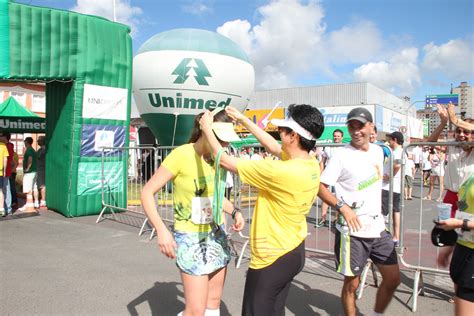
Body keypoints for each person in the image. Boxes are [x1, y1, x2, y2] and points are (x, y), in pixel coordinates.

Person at [200, 104, 324, 315]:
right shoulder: (309, 162)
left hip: (271, 257)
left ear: (293, 136)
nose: (278, 134)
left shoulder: (280, 171)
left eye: (282, 130)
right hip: (293, 251)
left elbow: (227, 161)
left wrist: (206, 128)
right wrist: (243, 119)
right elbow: (273, 147)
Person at [141, 110, 245, 316]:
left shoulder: (216, 160)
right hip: (189, 238)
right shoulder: (182, 154)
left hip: (216, 235)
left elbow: (215, 195)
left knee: (213, 303)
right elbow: (146, 192)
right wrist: (161, 230)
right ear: (206, 131)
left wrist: (235, 211)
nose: (225, 146)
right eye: (222, 140)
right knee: (196, 311)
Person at [318, 107, 400, 316]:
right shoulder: (341, 156)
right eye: (351, 127)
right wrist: (342, 207)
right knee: (351, 285)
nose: (356, 131)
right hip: (352, 232)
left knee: (392, 279)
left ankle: (376, 313)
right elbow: (320, 187)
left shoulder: (379, 150)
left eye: (360, 126)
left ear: (371, 127)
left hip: (378, 228)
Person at [428, 103, 474, 217]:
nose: (461, 135)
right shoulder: (452, 144)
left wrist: (455, 120)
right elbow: (430, 142)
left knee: (465, 233)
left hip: (469, 198)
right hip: (451, 196)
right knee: (445, 230)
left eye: (466, 132)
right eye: (458, 131)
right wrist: (443, 122)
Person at [381, 131, 405, 246]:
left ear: (394, 140)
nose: (388, 142)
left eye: (390, 140)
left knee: (382, 212)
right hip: (394, 187)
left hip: (389, 187)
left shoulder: (397, 152)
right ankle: (395, 237)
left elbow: (397, 166)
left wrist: (389, 176)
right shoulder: (398, 151)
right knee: (396, 211)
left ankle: (383, 236)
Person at [317, 129, 344, 227]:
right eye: (335, 136)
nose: (336, 137)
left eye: (338, 136)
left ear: (342, 137)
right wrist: (321, 173)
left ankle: (336, 219)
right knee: (325, 197)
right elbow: (322, 161)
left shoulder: (344, 148)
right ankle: (323, 218)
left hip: (340, 176)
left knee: (338, 198)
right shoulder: (328, 147)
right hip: (328, 175)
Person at [18, 137, 38, 212]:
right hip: (34, 171)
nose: (24, 143)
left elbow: (30, 159)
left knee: (28, 189)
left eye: (24, 141)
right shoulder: (33, 150)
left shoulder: (29, 150)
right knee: (34, 187)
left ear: (27, 142)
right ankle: (36, 203)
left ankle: (28, 205)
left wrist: (27, 168)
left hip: (29, 172)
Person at [0, 132, 13, 215]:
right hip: (5, 171)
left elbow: (9, 160)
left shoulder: (8, 146)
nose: (0, 137)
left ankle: (8, 208)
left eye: (1, 136)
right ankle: (5, 207)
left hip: (6, 172)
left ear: (5, 137)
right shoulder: (5, 145)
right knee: (3, 190)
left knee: (5, 190)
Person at [36, 135, 47, 208]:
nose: (37, 141)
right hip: (39, 169)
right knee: (39, 185)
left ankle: (43, 200)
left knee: (42, 185)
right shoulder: (40, 149)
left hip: (42, 169)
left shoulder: (44, 150)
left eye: (39, 140)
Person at [0, 136, 9, 217]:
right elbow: (5, 159)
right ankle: (2, 209)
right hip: (0, 172)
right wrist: (4, 171)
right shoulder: (3, 146)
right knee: (0, 191)